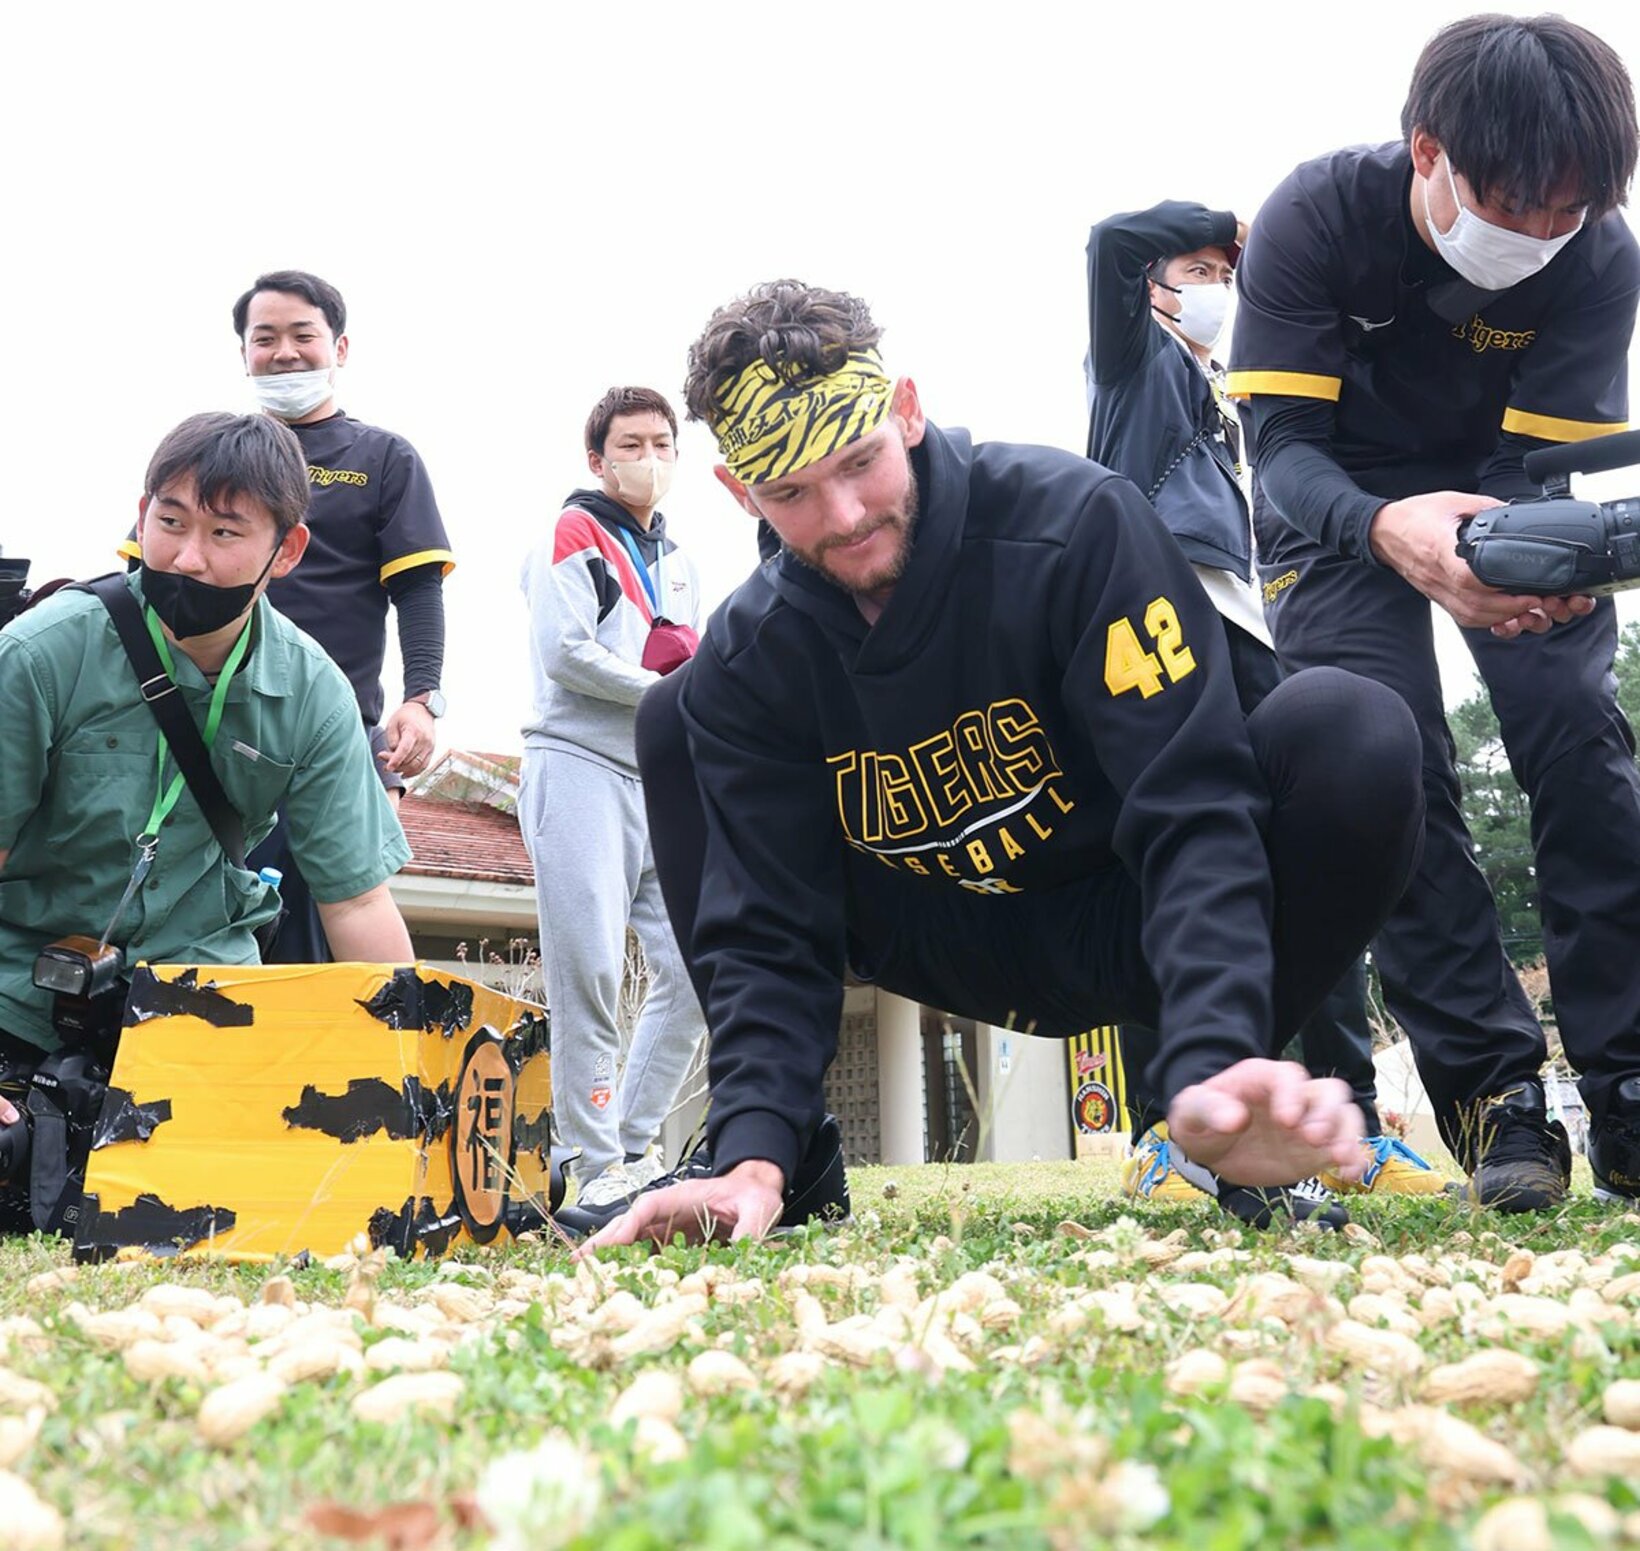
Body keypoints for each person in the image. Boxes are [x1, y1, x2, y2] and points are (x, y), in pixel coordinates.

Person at [586, 279, 1427, 1251]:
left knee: (1353, 731)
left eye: (859, 461)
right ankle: (784, 1162)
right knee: (675, 715)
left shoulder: (1075, 530)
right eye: (791, 494)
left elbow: (1189, 808)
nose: (845, 514)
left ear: (904, 410)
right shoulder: (754, 657)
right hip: (944, 925)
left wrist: (1211, 1053)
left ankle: (1211, 1118)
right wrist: (751, 1151)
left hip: (1127, 905)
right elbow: (766, 925)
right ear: (740, 493)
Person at [1228, 13, 1640, 1209]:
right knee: (1384, 764)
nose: (1542, 236)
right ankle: (1495, 1101)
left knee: (1577, 746)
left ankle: (1624, 1085)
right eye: (1517, 209)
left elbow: (1529, 461)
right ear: (1427, 155)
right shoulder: (1313, 218)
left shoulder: (1593, 251)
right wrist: (1387, 529)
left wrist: (1492, 558)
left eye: (1570, 213)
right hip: (1332, 514)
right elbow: (1282, 449)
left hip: (1506, 498)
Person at [1084, 202, 1439, 1200]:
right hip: (1154, 622)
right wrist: (1227, 224)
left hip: (1246, 631)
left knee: (1306, 853)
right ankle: (1165, 1130)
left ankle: (1351, 1126)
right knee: (1165, 858)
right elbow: (1111, 240)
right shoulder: (1128, 367)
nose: (1213, 288)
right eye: (1193, 271)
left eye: (1220, 271)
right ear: (1151, 288)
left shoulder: (1228, 391)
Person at [0, 412, 414, 1233]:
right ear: (142, 511)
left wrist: (412, 1080)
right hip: (19, 1003)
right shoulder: (43, 650)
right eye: (170, 522)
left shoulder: (314, 690)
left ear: (285, 552)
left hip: (203, 1014)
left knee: (293, 1190)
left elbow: (358, 906)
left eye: (225, 532)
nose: (187, 557)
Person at [123, 271, 455, 963]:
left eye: (302, 335)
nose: (284, 353)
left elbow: (419, 589)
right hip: (184, 717)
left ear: (339, 345)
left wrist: (421, 700)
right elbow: (138, 584)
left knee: (312, 930)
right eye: (263, 338)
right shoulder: (204, 456)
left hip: (314, 729)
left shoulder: (383, 459)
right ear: (243, 352)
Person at [519, 387, 708, 1230]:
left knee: (698, 968)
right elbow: (565, 654)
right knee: (590, 968)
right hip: (578, 766)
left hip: (657, 775)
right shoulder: (573, 531)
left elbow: (686, 657)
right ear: (598, 459)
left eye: (663, 442)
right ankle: (587, 1160)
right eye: (630, 443)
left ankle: (629, 1149)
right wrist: (676, 693)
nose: (649, 458)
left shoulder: (682, 559)